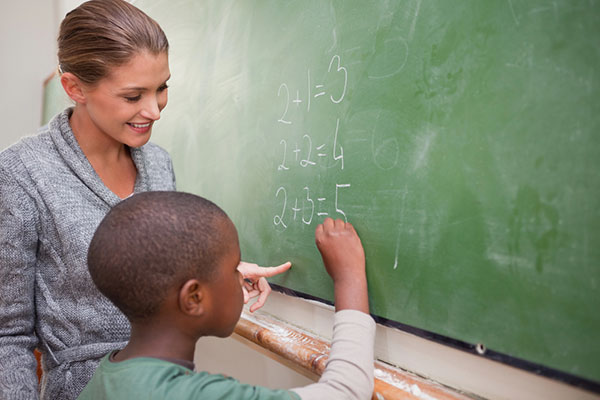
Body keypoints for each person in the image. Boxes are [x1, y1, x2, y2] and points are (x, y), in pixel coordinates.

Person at [0, 1, 289, 399]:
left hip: (168, 386)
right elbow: (6, 334)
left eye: (162, 88)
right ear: (74, 88)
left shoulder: (158, 163)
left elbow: (156, 274)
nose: (154, 110)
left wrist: (221, 272)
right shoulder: (21, 173)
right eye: (133, 95)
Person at [79, 191, 375, 399]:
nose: (241, 276)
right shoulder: (193, 395)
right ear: (194, 298)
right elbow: (346, 392)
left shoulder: (106, 377)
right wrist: (349, 276)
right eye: (235, 268)